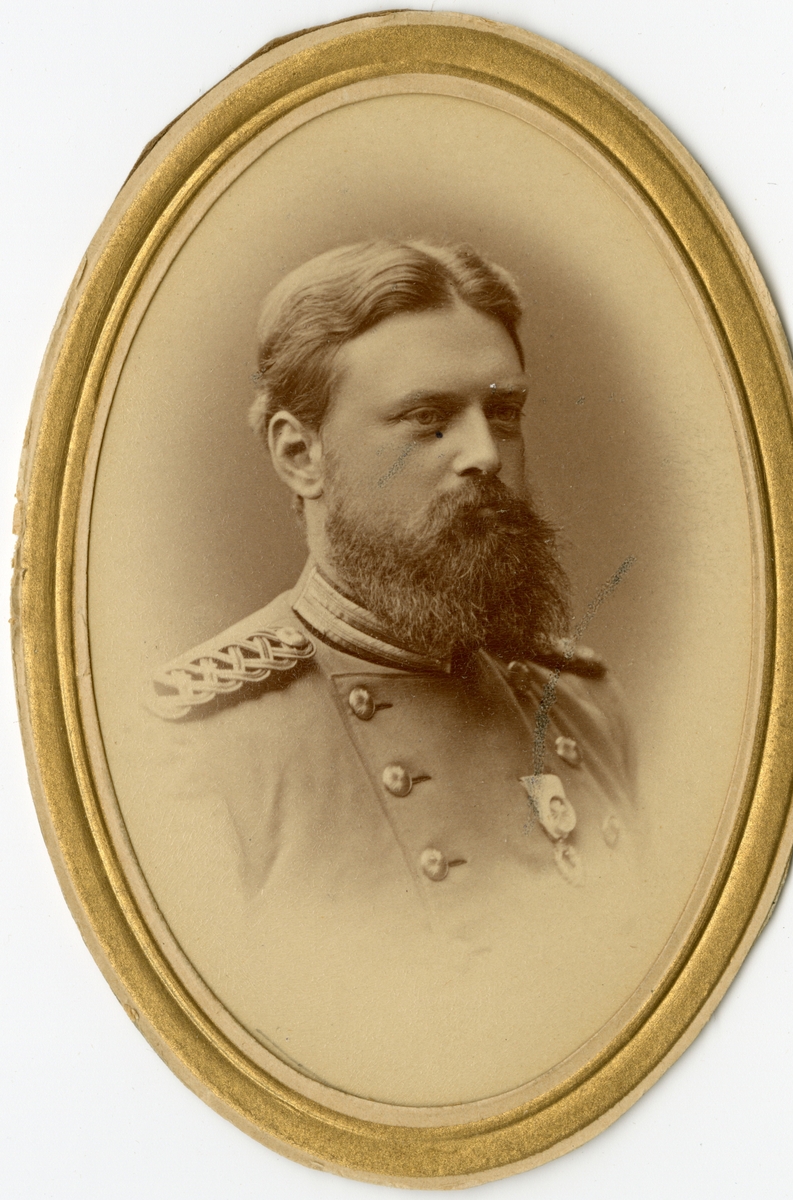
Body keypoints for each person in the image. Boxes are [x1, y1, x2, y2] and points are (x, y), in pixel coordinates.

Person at [139, 240, 643, 1105]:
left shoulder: (584, 704)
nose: (485, 454)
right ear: (299, 455)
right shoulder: (196, 757)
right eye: (428, 418)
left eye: (504, 412)